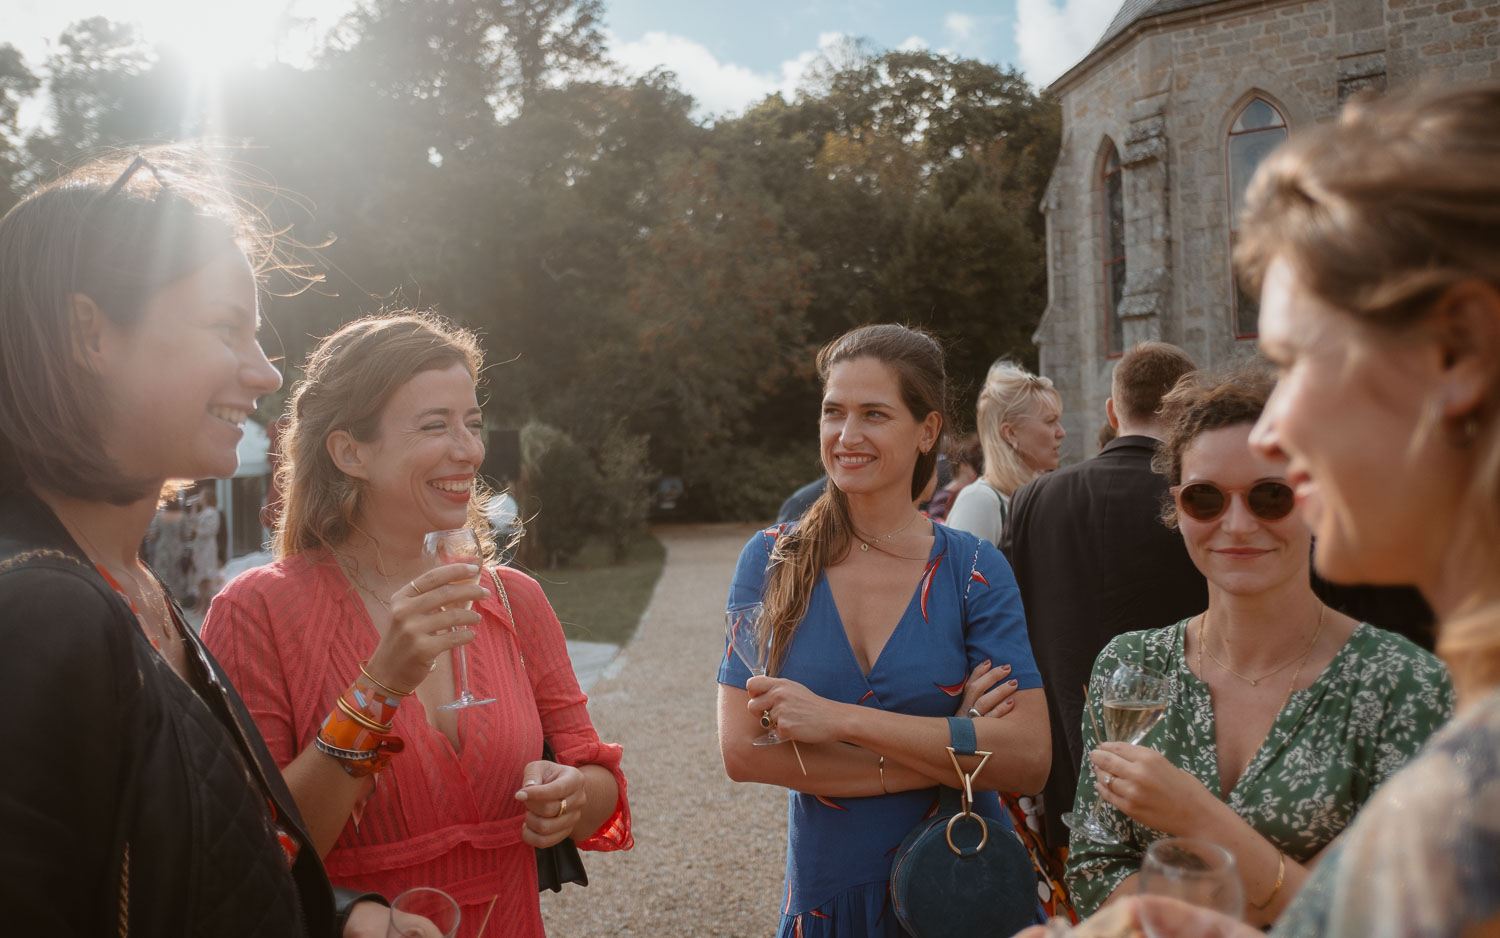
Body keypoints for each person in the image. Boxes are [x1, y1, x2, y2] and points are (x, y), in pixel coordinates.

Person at [0, 148, 388, 934]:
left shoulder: (125, 581)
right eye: (227, 328)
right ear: (89, 333)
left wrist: (340, 917)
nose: (267, 372)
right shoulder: (42, 613)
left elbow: (190, 861)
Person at [202, 313, 631, 938]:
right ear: (351, 451)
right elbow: (258, 851)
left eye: (473, 423)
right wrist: (378, 687)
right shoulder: (257, 612)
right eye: (436, 425)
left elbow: (603, 789)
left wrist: (571, 796)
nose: (471, 450)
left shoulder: (515, 600)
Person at [1063, 367, 1453, 926]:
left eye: (1271, 496)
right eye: (1206, 499)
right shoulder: (1130, 665)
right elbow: (1092, 870)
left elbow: (1388, 913)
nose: (1238, 524)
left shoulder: (1403, 684)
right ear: (1177, 509)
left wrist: (1194, 815)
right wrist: (1297, 888)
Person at [717, 323, 1051, 937]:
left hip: (962, 890)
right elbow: (742, 751)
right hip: (830, 894)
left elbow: (1028, 759)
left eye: (874, 414)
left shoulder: (974, 569)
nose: (847, 436)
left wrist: (840, 721)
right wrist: (961, 749)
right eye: (833, 412)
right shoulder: (770, 563)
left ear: (927, 431)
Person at [1002, 341, 1208, 854]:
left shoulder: (1035, 498)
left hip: (1065, 768)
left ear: (1114, 411)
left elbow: (1010, 627)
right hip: (1183, 770)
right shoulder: (1205, 502)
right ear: (1186, 412)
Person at [946, 359, 1065, 546]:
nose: (1061, 433)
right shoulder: (980, 502)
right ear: (1010, 433)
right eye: (1050, 421)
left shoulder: (1039, 496)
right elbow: (961, 574)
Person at [924, 433, 981, 523]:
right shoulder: (944, 497)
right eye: (974, 465)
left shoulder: (952, 493)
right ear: (963, 466)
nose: (978, 471)